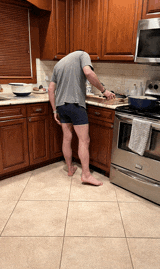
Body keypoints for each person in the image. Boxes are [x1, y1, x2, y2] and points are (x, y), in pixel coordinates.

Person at [48, 50, 115, 186]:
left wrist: (55, 110)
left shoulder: (59, 64)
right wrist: (104, 91)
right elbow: (88, 73)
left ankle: (70, 169)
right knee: (84, 140)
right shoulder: (83, 55)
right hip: (75, 104)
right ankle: (86, 175)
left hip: (61, 106)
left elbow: (50, 89)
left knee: (67, 138)